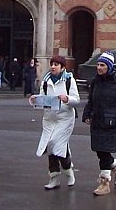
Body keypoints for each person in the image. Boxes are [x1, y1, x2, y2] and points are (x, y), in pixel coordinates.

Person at [82, 51, 116, 196]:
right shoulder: (95, 81)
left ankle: (104, 183)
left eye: (102, 65)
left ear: (109, 67)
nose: (99, 67)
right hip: (97, 122)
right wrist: (86, 114)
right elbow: (91, 100)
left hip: (111, 123)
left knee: (104, 152)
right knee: (99, 151)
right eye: (98, 64)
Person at [29, 55, 80, 189]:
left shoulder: (69, 80)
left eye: (56, 64)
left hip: (65, 118)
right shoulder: (46, 81)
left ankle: (68, 171)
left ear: (62, 67)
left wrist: (66, 98)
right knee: (50, 147)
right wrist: (36, 99)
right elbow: (43, 98)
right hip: (49, 119)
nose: (53, 66)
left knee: (57, 146)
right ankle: (54, 177)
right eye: (52, 64)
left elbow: (76, 100)